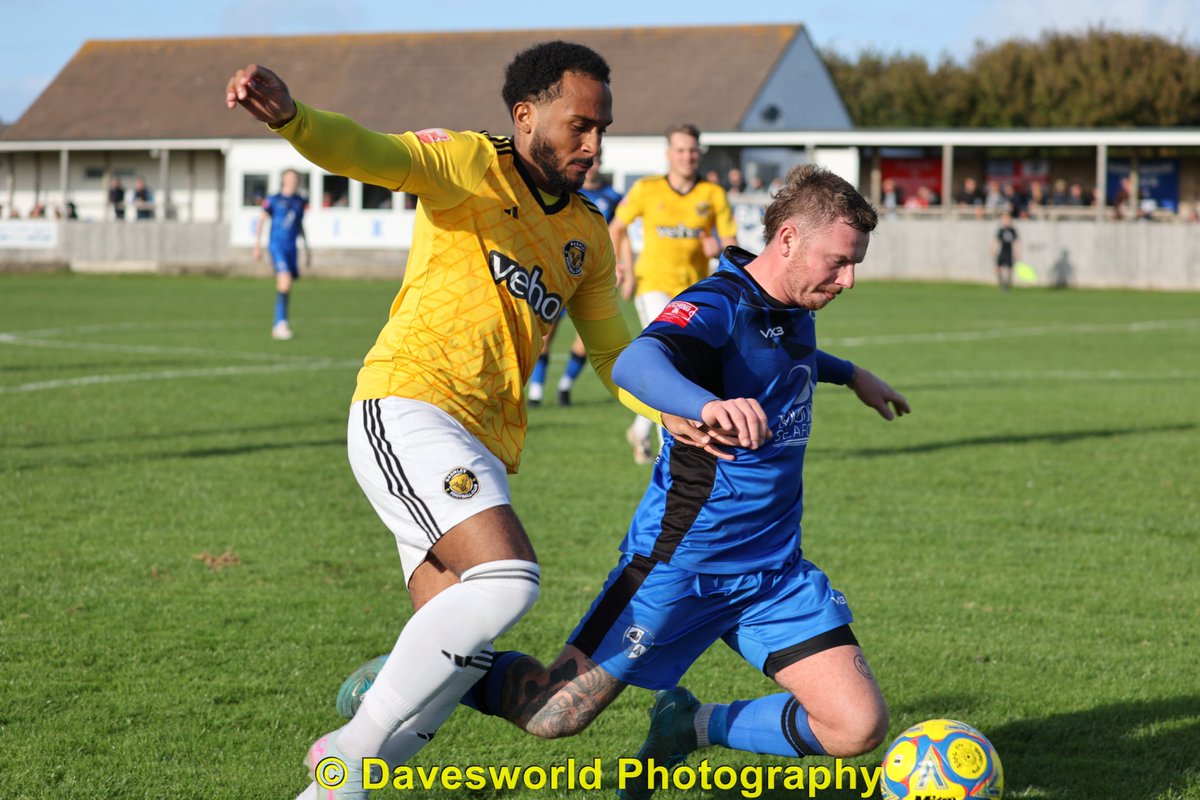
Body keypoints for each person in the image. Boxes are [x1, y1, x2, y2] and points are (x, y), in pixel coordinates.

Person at [339, 165, 910, 800]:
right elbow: (639, 359)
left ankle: (688, 725)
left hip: (774, 572)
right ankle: (415, 671)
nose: (847, 280)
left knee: (857, 726)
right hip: (680, 565)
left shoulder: (793, 303)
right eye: (839, 262)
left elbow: (782, 354)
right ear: (788, 240)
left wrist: (851, 374)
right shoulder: (718, 303)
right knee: (552, 714)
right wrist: (703, 404)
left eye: (854, 264)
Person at [226, 42, 692, 800]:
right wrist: (292, 118)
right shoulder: (469, 162)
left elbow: (613, 355)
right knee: (509, 581)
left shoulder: (585, 232)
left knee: (459, 657)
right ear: (526, 115)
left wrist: (675, 410)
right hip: (408, 403)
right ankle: (350, 748)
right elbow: (368, 153)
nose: (594, 145)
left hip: (479, 442)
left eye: (602, 129)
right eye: (579, 126)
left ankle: (331, 789)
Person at [611, 123, 738, 463]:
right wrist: (622, 266)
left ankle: (640, 429)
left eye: (692, 150)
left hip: (693, 292)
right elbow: (616, 227)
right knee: (666, 363)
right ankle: (666, 449)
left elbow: (731, 243)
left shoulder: (712, 194)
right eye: (680, 150)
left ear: (700, 154)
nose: (687, 156)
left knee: (680, 365)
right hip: (652, 285)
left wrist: (718, 248)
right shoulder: (647, 189)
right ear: (669, 154)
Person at [528, 153, 623, 407]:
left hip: (593, 277)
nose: (591, 166)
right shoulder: (563, 191)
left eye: (596, 161)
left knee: (587, 340)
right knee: (546, 335)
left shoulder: (613, 198)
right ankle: (536, 392)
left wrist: (620, 264)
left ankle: (565, 386)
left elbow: (619, 233)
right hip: (560, 274)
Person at [254, 168, 310, 340]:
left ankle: (281, 323)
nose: (292, 182)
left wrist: (306, 248)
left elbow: (299, 225)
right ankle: (279, 324)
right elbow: (262, 220)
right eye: (289, 178)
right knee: (284, 282)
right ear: (283, 180)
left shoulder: (300, 201)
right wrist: (257, 245)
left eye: (295, 179)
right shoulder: (273, 200)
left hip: (291, 248)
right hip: (276, 246)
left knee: (287, 285)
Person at [992, 210, 1019, 290]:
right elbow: (996, 241)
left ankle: (1007, 284)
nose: (1006, 221)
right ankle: (1001, 282)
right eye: (1004, 219)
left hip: (1009, 252)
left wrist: (1017, 252)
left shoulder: (1012, 230)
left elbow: (1017, 241)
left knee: (1009, 269)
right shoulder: (1001, 230)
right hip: (1002, 252)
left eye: (1007, 219)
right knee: (998, 268)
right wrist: (993, 250)